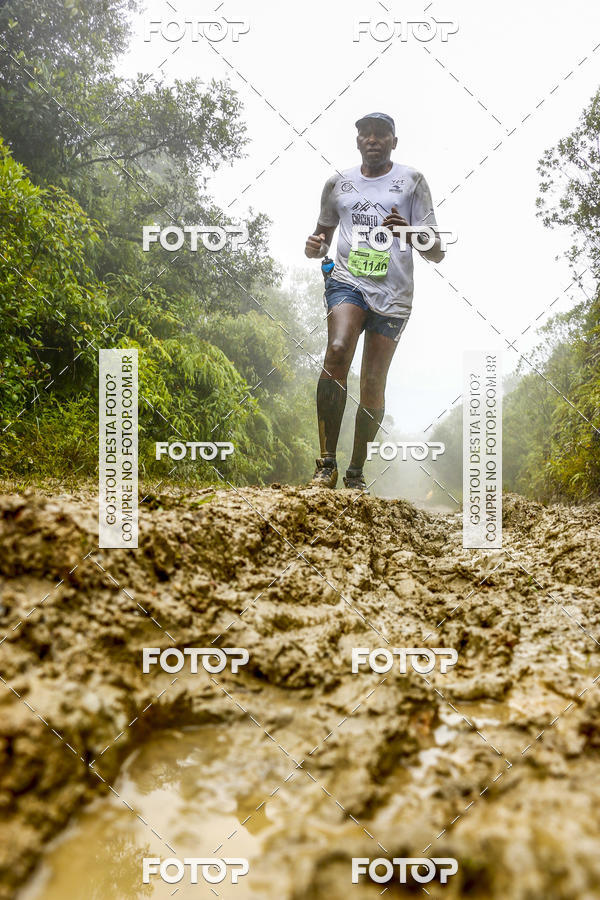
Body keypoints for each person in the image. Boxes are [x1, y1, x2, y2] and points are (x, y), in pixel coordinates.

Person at [305, 112, 446, 491]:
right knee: (336, 351)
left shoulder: (412, 181)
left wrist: (411, 231)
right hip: (347, 282)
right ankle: (326, 464)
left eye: (381, 134)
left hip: (394, 294)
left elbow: (437, 251)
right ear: (357, 141)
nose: (372, 139)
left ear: (393, 142)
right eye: (365, 133)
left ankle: (355, 471)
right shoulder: (338, 184)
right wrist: (313, 246)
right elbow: (319, 238)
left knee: (372, 382)